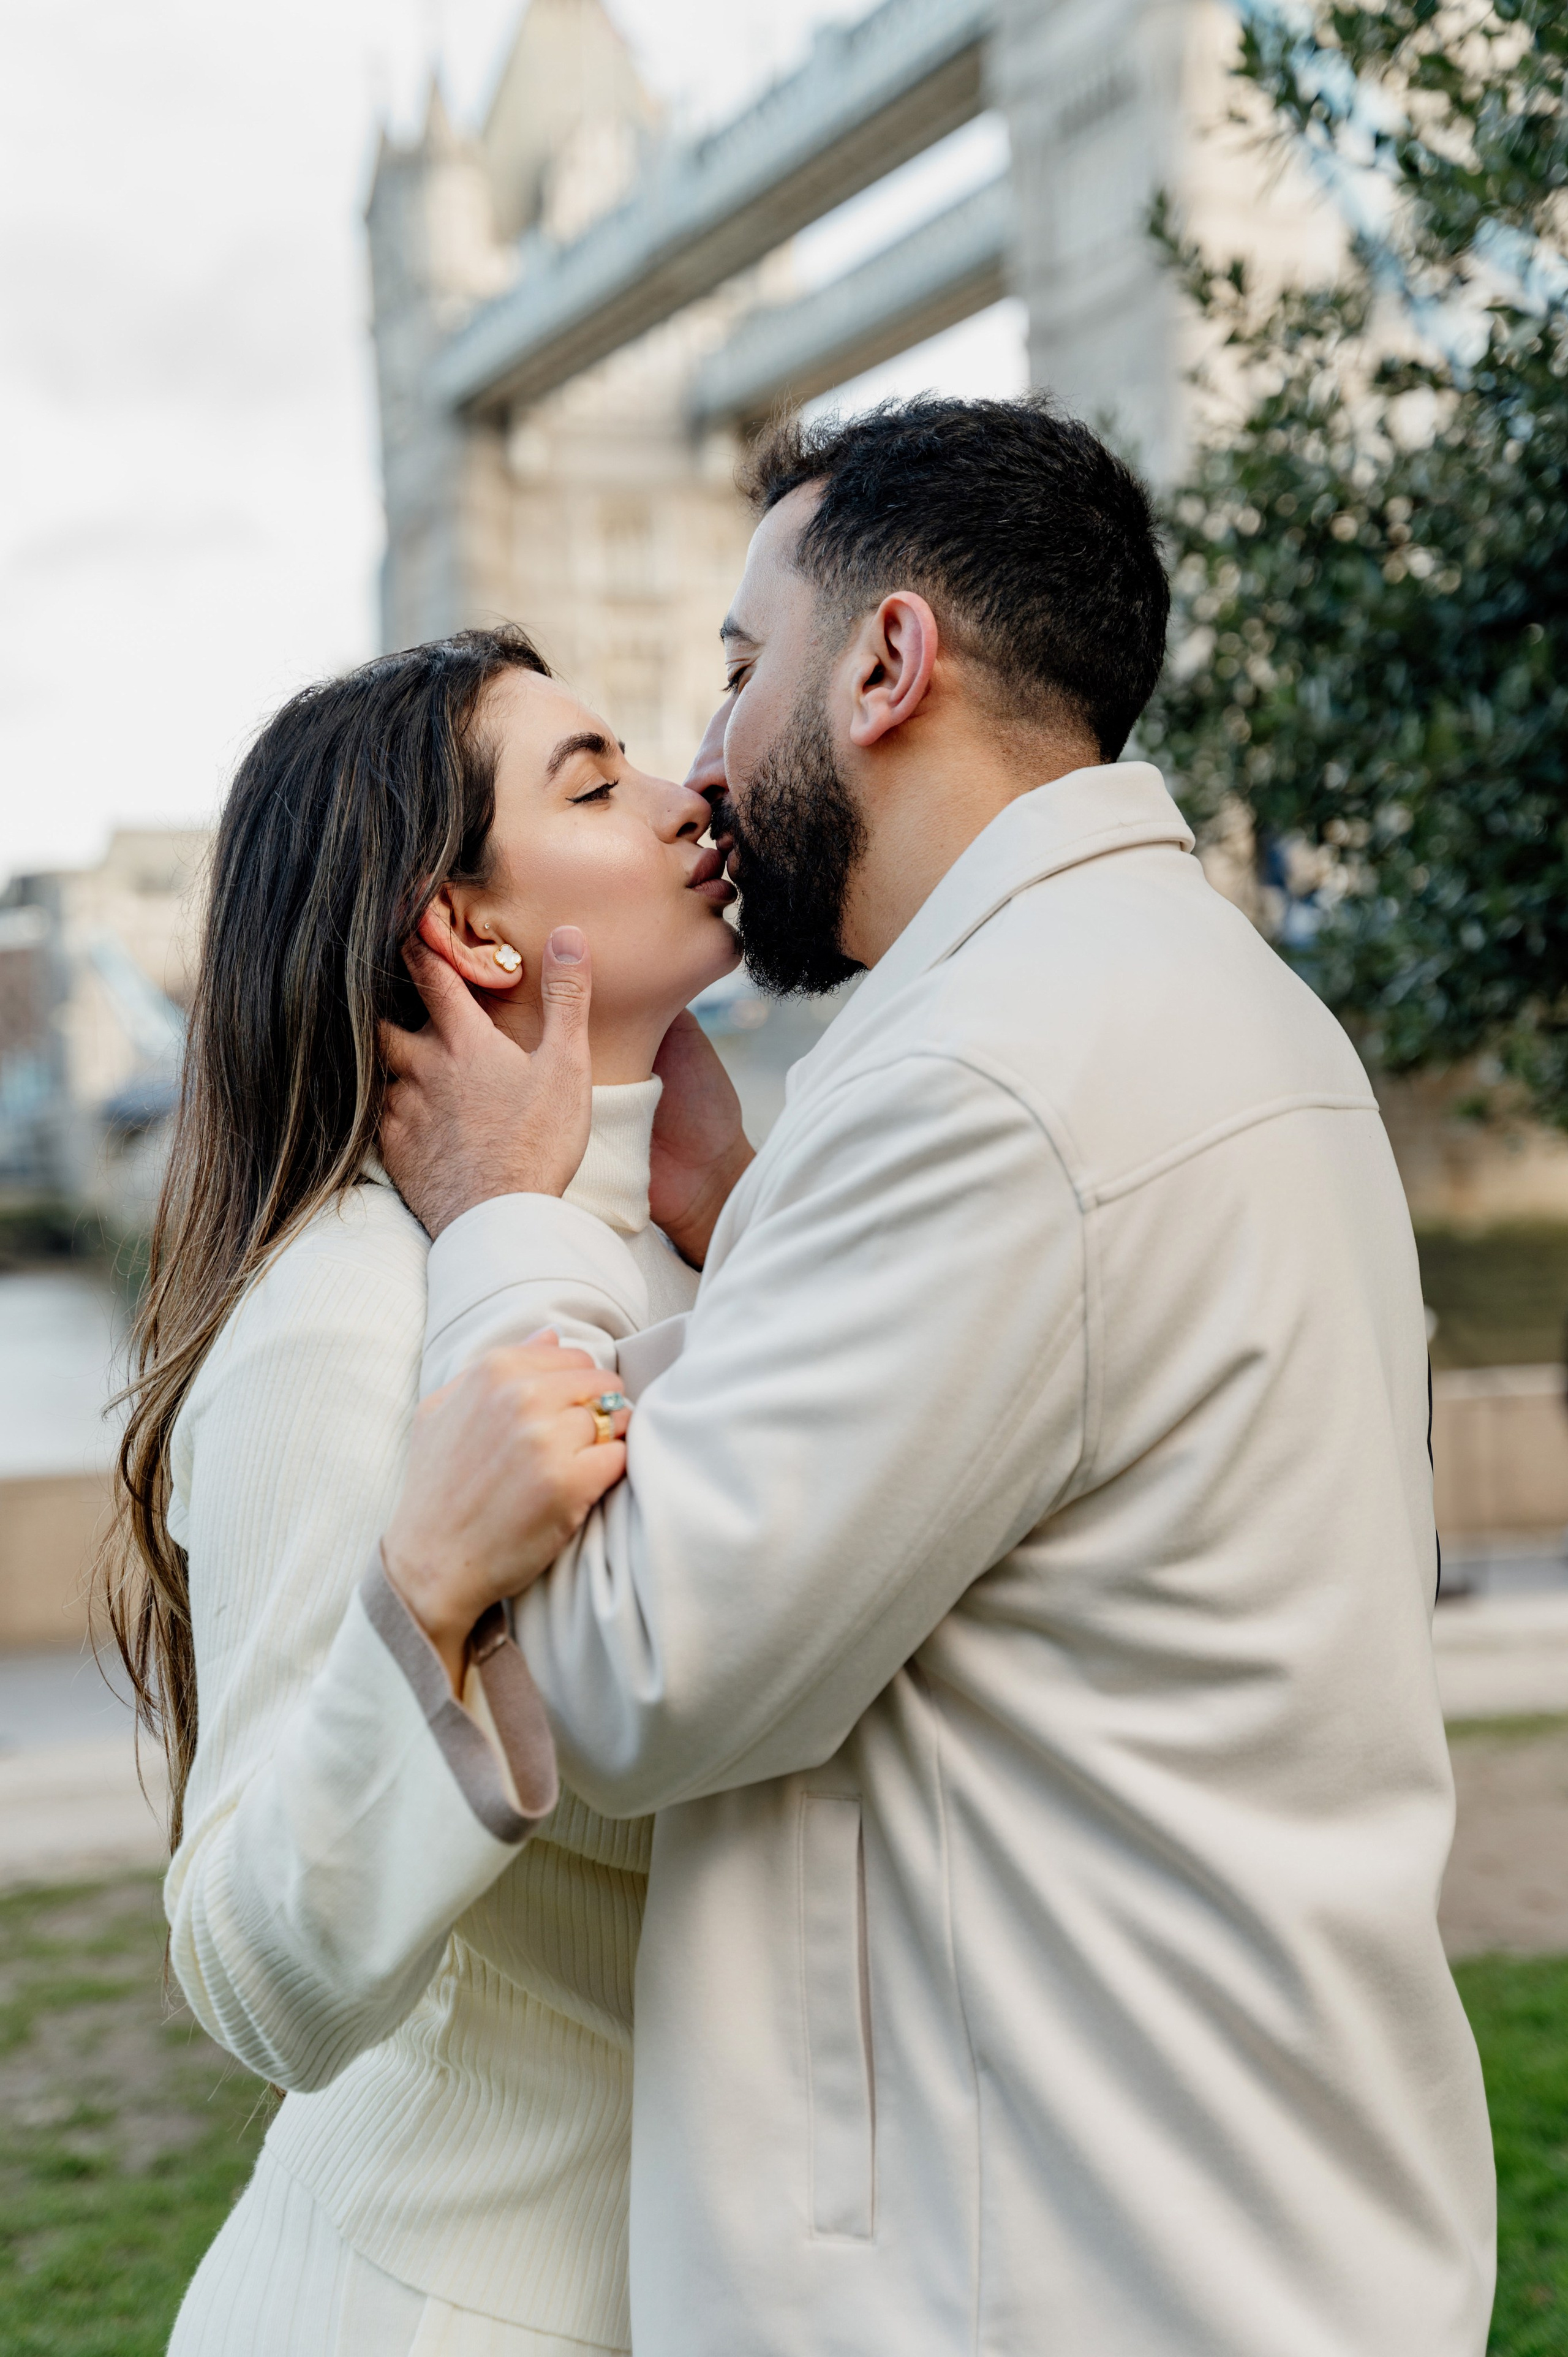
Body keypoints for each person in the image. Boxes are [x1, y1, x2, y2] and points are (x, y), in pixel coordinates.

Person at [379, 398, 1496, 2356]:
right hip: (1214, 2223)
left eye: (743, 668)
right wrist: (750, 1234)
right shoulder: (1197, 1001)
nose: (708, 760)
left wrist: (501, 1224)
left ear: (888, 663)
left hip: (1051, 2274)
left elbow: (630, 1677)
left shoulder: (991, 1078)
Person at [102, 625, 744, 2356]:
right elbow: (247, 1973)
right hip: (441, 2303)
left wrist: (741, 1220)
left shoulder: (696, 1242)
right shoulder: (344, 1305)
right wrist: (430, 1591)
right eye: (597, 786)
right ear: (463, 929)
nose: (690, 798)